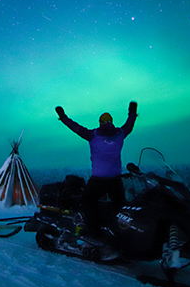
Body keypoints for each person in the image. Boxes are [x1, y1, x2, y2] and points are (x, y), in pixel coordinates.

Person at [55, 101, 138, 236]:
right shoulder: (120, 134)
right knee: (120, 205)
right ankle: (120, 231)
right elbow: (130, 124)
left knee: (87, 202)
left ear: (100, 122)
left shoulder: (93, 135)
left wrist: (63, 117)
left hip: (98, 179)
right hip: (115, 179)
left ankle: (93, 230)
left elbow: (76, 127)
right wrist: (132, 112)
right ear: (111, 122)